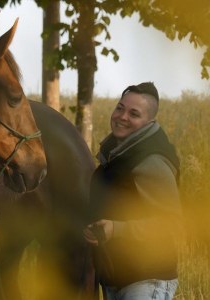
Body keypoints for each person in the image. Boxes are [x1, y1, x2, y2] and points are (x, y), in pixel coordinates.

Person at [84, 82, 182, 299]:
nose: (122, 116)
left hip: (147, 280)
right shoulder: (115, 157)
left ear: (149, 121)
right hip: (115, 282)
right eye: (120, 108)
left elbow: (172, 224)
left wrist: (115, 230)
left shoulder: (151, 160)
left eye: (134, 114)